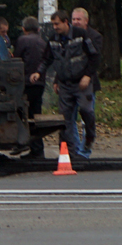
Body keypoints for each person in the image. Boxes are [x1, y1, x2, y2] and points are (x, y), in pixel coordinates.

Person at [32, 10, 100, 160]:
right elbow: (48, 59)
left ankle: (89, 138)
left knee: (86, 111)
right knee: (65, 120)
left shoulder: (80, 35)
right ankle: (70, 153)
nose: (54, 27)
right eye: (53, 24)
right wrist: (39, 73)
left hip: (82, 82)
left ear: (65, 22)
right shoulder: (53, 39)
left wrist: (88, 76)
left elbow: (94, 56)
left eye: (57, 24)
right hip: (65, 85)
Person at [14, 16, 48, 158]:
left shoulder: (22, 40)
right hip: (39, 83)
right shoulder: (42, 41)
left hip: (26, 82)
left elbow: (16, 60)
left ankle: (22, 142)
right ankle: (37, 150)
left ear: (24, 29)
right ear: (38, 29)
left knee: (21, 113)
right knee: (36, 115)